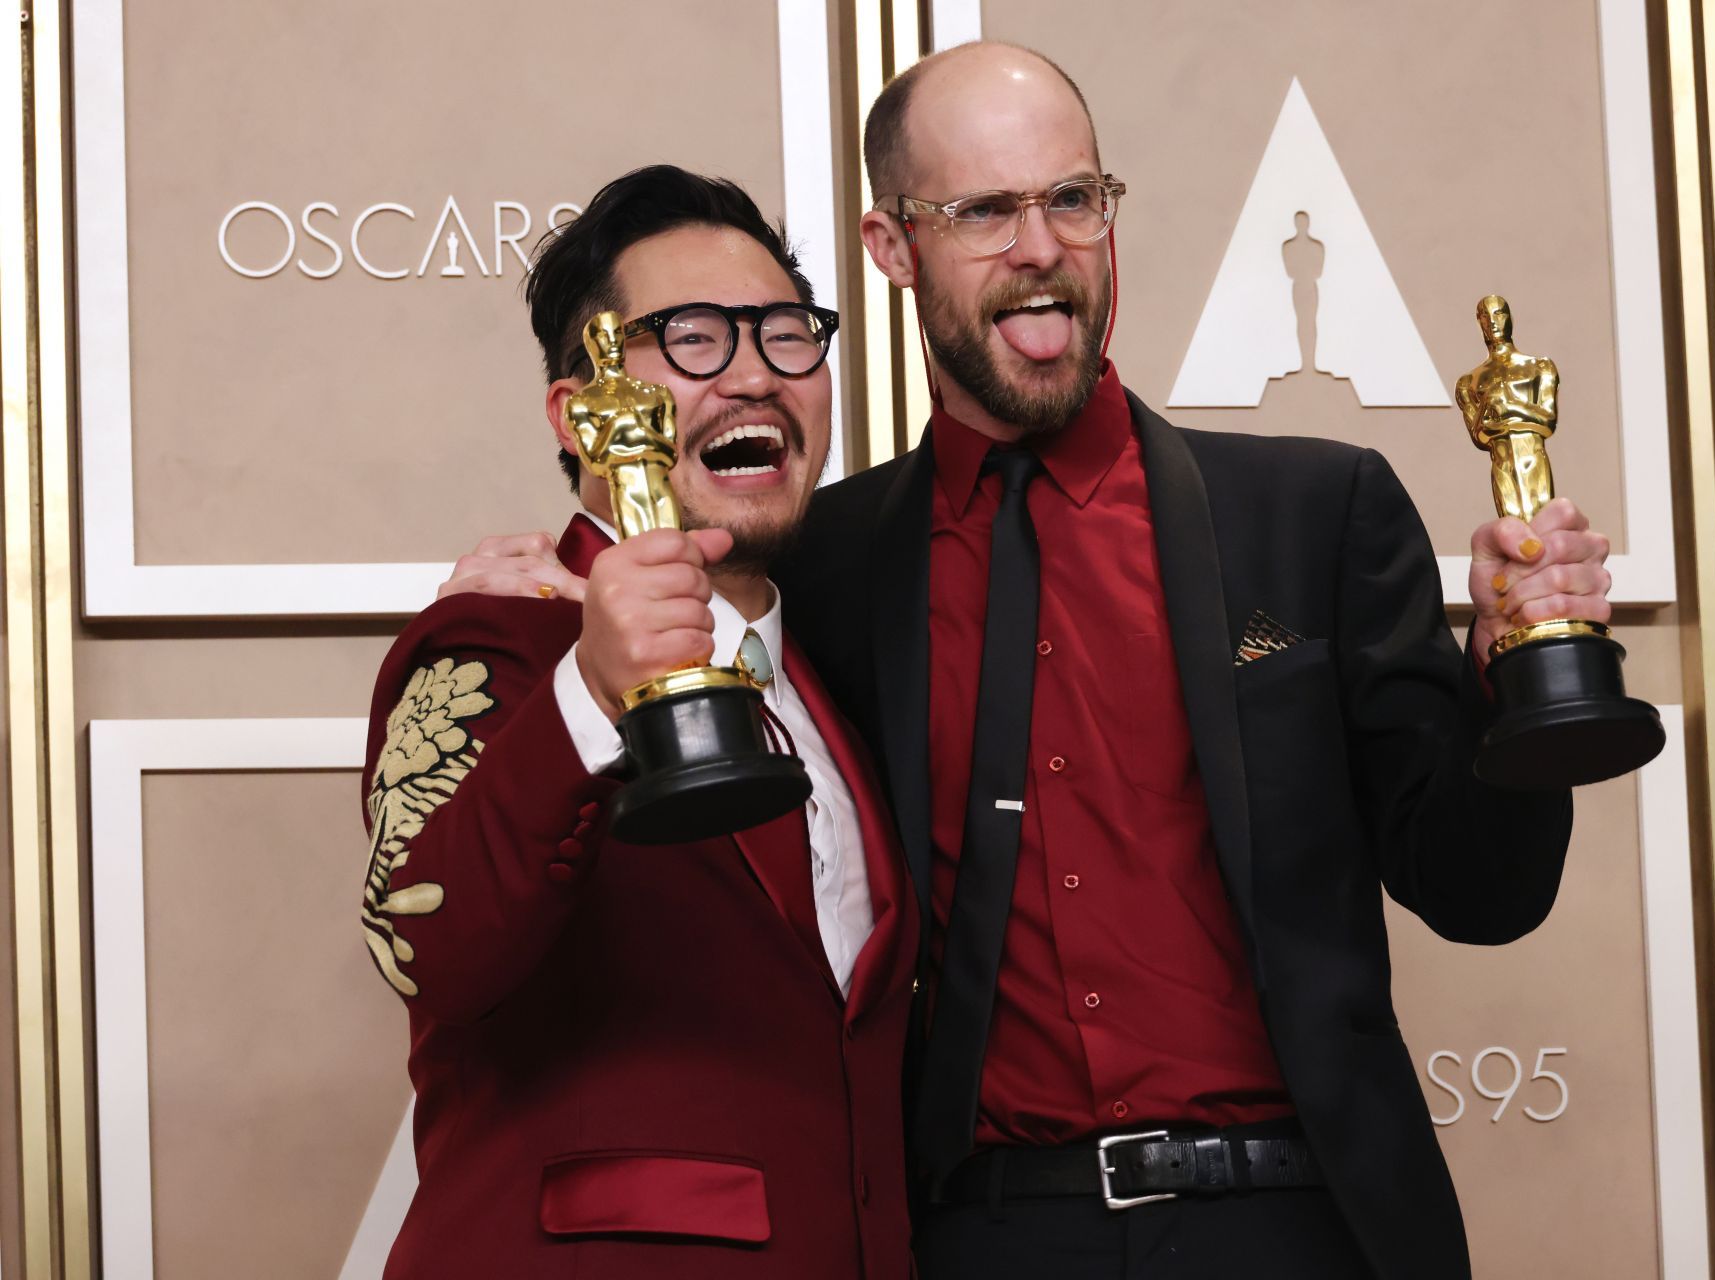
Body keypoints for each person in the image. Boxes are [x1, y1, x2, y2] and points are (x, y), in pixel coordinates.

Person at [449, 43, 1617, 1280]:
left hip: (1297, 1219)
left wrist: (1513, 677)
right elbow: (661, 616)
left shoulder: (1314, 512)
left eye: (1072, 198)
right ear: (893, 245)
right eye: (985, 211)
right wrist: (545, 589)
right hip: (983, 1237)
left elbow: (1485, 891)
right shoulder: (820, 567)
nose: (1041, 247)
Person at [358, 165, 915, 1279]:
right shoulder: (495, 641)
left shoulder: (840, 679)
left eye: (787, 336)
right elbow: (427, 941)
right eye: (694, 339)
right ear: (582, 412)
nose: (753, 375)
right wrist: (592, 690)